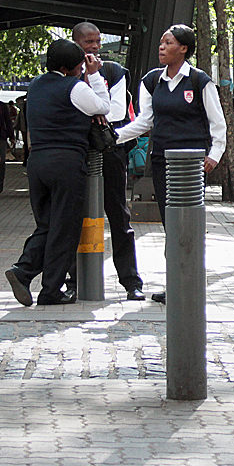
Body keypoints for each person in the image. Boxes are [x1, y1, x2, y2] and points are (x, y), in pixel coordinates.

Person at [116, 24, 227, 304]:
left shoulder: (199, 81)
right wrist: (114, 136)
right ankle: (175, 283)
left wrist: (214, 155)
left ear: (184, 49)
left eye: (168, 43)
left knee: (187, 224)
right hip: (162, 161)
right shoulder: (152, 81)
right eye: (161, 43)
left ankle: (190, 283)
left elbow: (218, 123)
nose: (162, 47)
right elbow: (145, 121)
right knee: (170, 225)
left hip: (192, 165)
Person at [5, 39, 110, 306]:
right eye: (79, 66)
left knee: (47, 224)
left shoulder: (36, 85)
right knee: (65, 228)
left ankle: (23, 271)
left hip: (37, 161)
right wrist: (94, 76)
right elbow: (102, 106)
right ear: (68, 68)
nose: (81, 69)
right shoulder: (74, 87)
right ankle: (50, 289)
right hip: (66, 162)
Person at [69, 21, 145, 301]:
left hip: (109, 150)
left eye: (97, 41)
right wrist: (95, 109)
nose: (94, 47)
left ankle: (131, 281)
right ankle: (73, 280)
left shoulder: (113, 71)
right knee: (73, 216)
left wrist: (94, 82)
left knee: (118, 215)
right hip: (77, 150)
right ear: (76, 44)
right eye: (88, 42)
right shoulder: (67, 74)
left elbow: (114, 112)